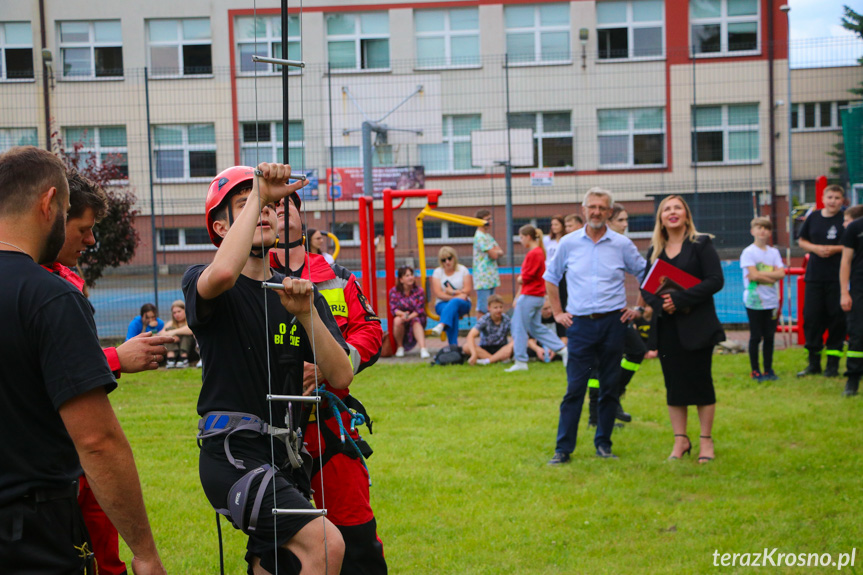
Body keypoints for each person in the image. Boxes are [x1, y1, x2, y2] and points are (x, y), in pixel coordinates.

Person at [0, 146, 166, 574]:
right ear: (49, 203)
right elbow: (97, 441)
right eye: (70, 211)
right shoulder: (49, 297)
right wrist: (145, 554)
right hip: (30, 533)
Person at [186, 163, 353, 574]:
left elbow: (341, 374)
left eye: (270, 206)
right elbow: (224, 272)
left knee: (279, 563)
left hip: (286, 455)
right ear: (222, 229)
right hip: (234, 452)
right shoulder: (204, 280)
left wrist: (305, 313)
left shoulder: (296, 291)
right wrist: (262, 192)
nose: (264, 212)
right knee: (326, 545)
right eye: (245, 206)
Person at [44, 167, 174, 575]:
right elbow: (41, 372)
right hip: (49, 473)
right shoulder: (37, 290)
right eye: (83, 228)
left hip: (81, 464)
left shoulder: (67, 279)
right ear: (49, 215)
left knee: (104, 556)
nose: (92, 240)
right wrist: (117, 359)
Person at [270, 193, 388, 575]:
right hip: (270, 430)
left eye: (289, 205)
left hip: (330, 430)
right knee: (280, 545)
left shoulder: (338, 277)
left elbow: (371, 330)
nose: (280, 211)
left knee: (355, 535)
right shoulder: (250, 277)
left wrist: (333, 365)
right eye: (269, 206)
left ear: (304, 218)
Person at [544, 188, 646, 463]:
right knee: (575, 388)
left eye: (602, 207)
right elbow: (551, 277)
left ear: (610, 212)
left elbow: (645, 273)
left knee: (609, 386)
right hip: (580, 326)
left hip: (613, 323)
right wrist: (557, 313)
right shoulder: (568, 242)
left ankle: (603, 444)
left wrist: (637, 308)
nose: (597, 212)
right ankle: (563, 449)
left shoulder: (622, 244)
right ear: (584, 209)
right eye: (592, 207)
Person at [641, 195, 725, 464]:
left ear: (686, 215)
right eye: (667, 209)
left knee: (701, 384)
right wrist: (663, 305)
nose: (672, 212)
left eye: (678, 208)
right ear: (661, 219)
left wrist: (679, 300)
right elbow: (647, 286)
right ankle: (680, 441)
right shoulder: (655, 249)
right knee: (674, 386)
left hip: (698, 327)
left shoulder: (701, 244)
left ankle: (705, 442)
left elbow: (715, 280)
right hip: (667, 329)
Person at [796, 184, 846, 377]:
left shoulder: (845, 220)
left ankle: (832, 365)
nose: (833, 201)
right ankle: (813, 364)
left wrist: (835, 249)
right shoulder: (814, 218)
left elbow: (853, 244)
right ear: (823, 199)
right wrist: (816, 249)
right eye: (830, 197)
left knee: (836, 319)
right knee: (812, 318)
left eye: (837, 198)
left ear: (842, 201)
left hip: (837, 277)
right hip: (815, 277)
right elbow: (802, 240)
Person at [507, 225, 568, 373]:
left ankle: (521, 360)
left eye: (521, 238)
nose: (520, 241)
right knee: (536, 328)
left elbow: (529, 275)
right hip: (537, 295)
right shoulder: (539, 252)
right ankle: (563, 350)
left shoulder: (534, 253)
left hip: (530, 295)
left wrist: (521, 278)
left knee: (518, 326)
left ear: (528, 237)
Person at [740, 217, 785, 382]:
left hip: (771, 301)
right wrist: (770, 277)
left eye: (766, 228)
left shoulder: (773, 253)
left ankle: (768, 369)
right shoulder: (748, 252)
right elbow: (753, 275)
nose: (762, 231)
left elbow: (781, 273)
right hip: (754, 302)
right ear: (752, 231)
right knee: (755, 336)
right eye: (759, 228)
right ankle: (755, 370)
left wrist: (763, 276)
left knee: (769, 337)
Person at [839, 205, 863, 396]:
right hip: (859, 289)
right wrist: (844, 292)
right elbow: (845, 261)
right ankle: (853, 380)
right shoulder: (855, 228)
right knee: (857, 335)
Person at [430, 246, 473, 346]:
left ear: (454, 258)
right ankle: (453, 346)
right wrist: (457, 295)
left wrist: (453, 292)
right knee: (453, 311)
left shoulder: (462, 270)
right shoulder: (437, 272)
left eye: (449, 258)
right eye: (443, 260)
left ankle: (442, 324)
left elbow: (468, 290)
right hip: (443, 303)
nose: (447, 262)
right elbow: (438, 293)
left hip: (463, 303)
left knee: (454, 304)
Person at [389, 265, 429, 359]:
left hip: (416, 316)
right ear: (401, 279)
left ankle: (423, 348)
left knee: (416, 321)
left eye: (411, 274)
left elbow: (419, 309)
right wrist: (403, 314)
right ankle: (400, 347)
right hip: (402, 316)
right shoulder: (394, 291)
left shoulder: (418, 291)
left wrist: (409, 317)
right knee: (397, 321)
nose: (410, 277)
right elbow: (394, 308)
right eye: (407, 275)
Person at [465, 294, 514, 365]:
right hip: (486, 348)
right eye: (495, 308)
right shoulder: (484, 319)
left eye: (500, 307)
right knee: (466, 347)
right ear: (489, 308)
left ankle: (487, 361)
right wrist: (474, 354)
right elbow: (471, 335)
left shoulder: (506, 319)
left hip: (501, 348)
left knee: (513, 345)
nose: (499, 310)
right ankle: (495, 359)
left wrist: (510, 346)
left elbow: (517, 335)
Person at [472, 209, 502, 316]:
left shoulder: (488, 236)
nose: (490, 221)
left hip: (491, 277)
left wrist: (495, 251)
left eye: (491, 219)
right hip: (483, 278)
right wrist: (495, 251)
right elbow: (494, 254)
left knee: (491, 305)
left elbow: (500, 251)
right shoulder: (480, 237)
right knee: (483, 307)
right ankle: (480, 331)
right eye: (487, 219)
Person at [160, 300, 197, 368]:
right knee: (169, 332)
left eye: (179, 311)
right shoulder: (170, 323)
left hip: (190, 351)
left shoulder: (191, 322)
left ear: (185, 310)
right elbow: (161, 334)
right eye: (174, 313)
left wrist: (175, 332)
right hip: (175, 352)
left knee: (185, 335)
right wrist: (173, 337)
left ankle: (183, 358)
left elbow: (190, 330)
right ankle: (170, 358)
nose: (176, 314)